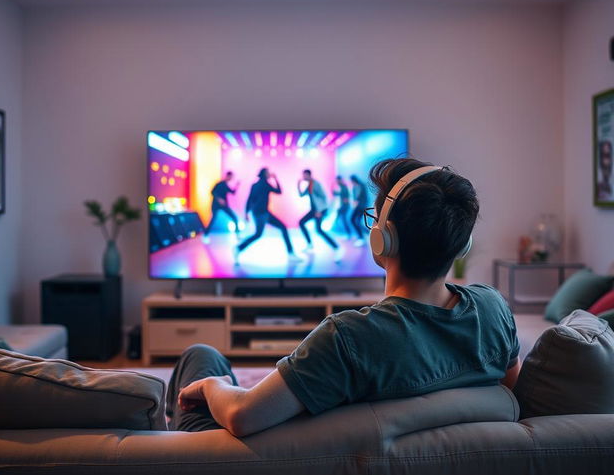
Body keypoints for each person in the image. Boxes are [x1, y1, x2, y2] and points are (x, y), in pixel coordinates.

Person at [165, 157, 521, 437]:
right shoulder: (493, 310)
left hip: (233, 467)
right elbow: (515, 396)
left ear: (383, 237)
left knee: (202, 356)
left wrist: (215, 386)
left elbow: (242, 417)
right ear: (463, 244)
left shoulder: (349, 338)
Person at [236, 167, 300, 261]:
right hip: (262, 213)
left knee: (280, 228)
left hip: (260, 213)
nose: (270, 174)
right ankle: (238, 248)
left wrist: (246, 212)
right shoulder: (265, 184)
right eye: (268, 173)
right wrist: (275, 179)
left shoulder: (255, 185)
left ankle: (290, 253)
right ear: (264, 174)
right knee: (259, 234)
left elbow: (250, 199)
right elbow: (279, 191)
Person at [297, 169, 342, 261]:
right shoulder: (309, 185)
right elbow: (301, 195)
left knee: (319, 230)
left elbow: (323, 197)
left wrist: (319, 211)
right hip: (313, 210)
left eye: (304, 175)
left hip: (319, 210)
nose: (303, 177)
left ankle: (337, 248)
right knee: (301, 222)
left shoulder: (315, 184)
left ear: (309, 175)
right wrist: (298, 185)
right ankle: (309, 244)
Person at [202, 171, 240, 243]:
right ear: (228, 176)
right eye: (231, 177)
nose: (231, 178)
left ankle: (237, 234)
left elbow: (233, 192)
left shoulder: (225, 185)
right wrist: (219, 199)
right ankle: (205, 235)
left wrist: (237, 185)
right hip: (216, 205)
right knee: (213, 220)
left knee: (234, 218)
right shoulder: (219, 184)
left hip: (223, 205)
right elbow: (212, 192)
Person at [349, 174, 368, 246]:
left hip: (361, 206)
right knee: (353, 220)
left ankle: (362, 237)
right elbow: (354, 198)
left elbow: (364, 197)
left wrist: (359, 203)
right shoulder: (354, 187)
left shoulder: (362, 185)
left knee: (356, 221)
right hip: (357, 206)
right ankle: (364, 234)